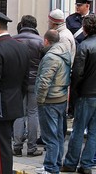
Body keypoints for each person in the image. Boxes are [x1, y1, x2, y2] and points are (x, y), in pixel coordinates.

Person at [0, 6, 29, 174]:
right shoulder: (21, 47)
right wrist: (16, 99)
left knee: (0, 150)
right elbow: (25, 81)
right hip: (13, 104)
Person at [61, 15, 96, 174]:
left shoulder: (84, 46)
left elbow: (78, 74)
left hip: (86, 94)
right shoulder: (86, 45)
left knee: (78, 129)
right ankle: (86, 165)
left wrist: (74, 92)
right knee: (94, 132)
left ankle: (70, 163)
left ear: (86, 28)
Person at [35, 29, 71, 174]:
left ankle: (50, 167)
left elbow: (44, 81)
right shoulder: (64, 52)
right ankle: (55, 163)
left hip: (49, 100)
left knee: (50, 136)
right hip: (61, 98)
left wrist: (40, 100)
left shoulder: (50, 57)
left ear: (46, 41)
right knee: (58, 135)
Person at [12, 15, 44, 157]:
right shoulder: (41, 42)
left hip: (17, 81)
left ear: (22, 24)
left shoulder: (14, 40)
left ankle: (17, 146)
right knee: (33, 113)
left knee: (19, 113)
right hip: (34, 81)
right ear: (35, 26)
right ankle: (31, 147)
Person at [48, 9, 76, 123]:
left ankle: (57, 137)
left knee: (58, 112)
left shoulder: (63, 36)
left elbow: (62, 59)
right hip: (61, 76)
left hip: (60, 78)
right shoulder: (63, 33)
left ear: (54, 22)